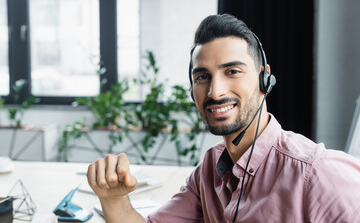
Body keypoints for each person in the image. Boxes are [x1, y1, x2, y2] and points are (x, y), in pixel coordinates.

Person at [87, 14, 360, 222]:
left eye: (233, 71)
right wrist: (114, 199)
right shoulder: (208, 172)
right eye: (202, 77)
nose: (215, 91)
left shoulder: (317, 173)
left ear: (264, 78)